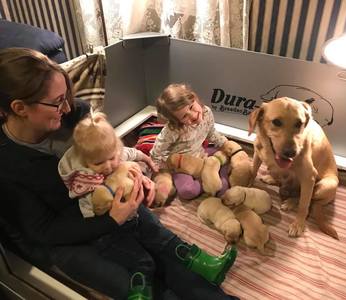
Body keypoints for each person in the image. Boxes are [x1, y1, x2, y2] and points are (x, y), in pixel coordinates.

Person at [0, 48, 238, 300]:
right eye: (58, 101)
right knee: (142, 282)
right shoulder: (8, 164)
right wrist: (112, 219)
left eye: (67, 95)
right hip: (72, 236)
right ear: (19, 108)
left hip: (114, 201)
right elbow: (43, 232)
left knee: (171, 252)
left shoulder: (76, 115)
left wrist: (136, 178)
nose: (68, 106)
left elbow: (113, 154)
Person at [58, 111, 158, 218]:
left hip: (131, 199)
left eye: (112, 158)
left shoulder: (117, 153)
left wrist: (149, 161)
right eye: (98, 163)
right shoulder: (86, 182)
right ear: (85, 162)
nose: (108, 166)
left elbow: (134, 153)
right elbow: (86, 210)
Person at [150, 83, 230, 202]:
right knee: (187, 191)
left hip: (201, 154)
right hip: (181, 165)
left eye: (191, 107)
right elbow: (156, 152)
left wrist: (225, 144)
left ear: (195, 98)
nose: (193, 115)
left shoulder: (206, 112)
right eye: (184, 117)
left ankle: (214, 178)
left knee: (226, 159)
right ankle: (208, 180)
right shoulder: (172, 131)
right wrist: (162, 170)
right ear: (176, 121)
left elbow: (211, 133)